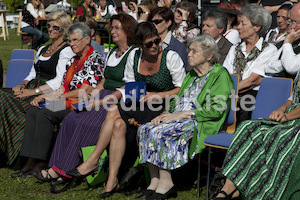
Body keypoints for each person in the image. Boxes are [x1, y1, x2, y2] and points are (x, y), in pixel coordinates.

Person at [66, 22, 186, 199]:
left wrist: (158, 95)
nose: (154, 46)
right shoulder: (134, 57)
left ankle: (93, 162)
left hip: (165, 105)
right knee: (117, 125)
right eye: (149, 44)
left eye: (156, 41)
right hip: (140, 103)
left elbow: (182, 89)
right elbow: (130, 86)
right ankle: (112, 179)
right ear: (139, 46)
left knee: (114, 112)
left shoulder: (171, 57)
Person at [33, 14, 137, 183]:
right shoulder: (105, 53)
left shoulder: (103, 57)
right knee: (67, 118)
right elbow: (102, 82)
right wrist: (92, 96)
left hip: (113, 99)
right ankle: (53, 166)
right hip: (93, 96)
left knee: (65, 117)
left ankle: (63, 168)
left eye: (117, 27)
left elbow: (125, 86)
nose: (112, 31)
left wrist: (57, 97)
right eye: (112, 27)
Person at [137, 35, 234, 199]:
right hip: (180, 117)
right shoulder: (191, 74)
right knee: (146, 129)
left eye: (194, 51)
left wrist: (182, 115)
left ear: (209, 55)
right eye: (189, 50)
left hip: (201, 121)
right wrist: (166, 114)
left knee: (161, 132)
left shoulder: (219, 75)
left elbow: (216, 110)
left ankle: (167, 183)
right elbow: (178, 101)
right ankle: (154, 181)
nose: (189, 54)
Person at [11, 22, 105, 178]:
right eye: (70, 40)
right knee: (34, 110)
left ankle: (41, 162)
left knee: (45, 113)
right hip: (66, 100)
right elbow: (63, 86)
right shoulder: (73, 60)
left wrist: (56, 97)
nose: (71, 44)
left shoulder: (94, 60)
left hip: (81, 103)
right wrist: (45, 96)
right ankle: (28, 160)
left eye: (75, 40)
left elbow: (85, 90)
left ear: (87, 39)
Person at [212, 41, 300, 200]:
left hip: (296, 121)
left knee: (276, 138)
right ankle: (228, 189)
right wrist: (281, 109)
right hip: (290, 114)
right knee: (247, 127)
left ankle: (244, 189)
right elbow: (292, 98)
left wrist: (286, 117)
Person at [0, 12, 74, 167]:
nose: (51, 29)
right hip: (32, 86)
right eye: (48, 25)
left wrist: (33, 92)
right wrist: (23, 84)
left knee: (4, 100)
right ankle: (6, 148)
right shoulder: (42, 48)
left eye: (56, 27)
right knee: (2, 94)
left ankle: (16, 152)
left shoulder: (66, 51)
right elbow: (33, 72)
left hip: (47, 91)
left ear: (64, 30)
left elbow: (58, 80)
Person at [223, 3, 277, 124]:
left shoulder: (269, 50)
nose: (238, 27)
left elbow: (253, 81)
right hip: (230, 96)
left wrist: (226, 92)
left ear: (257, 27)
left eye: (243, 23)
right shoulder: (235, 49)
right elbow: (225, 74)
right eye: (238, 23)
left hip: (252, 99)